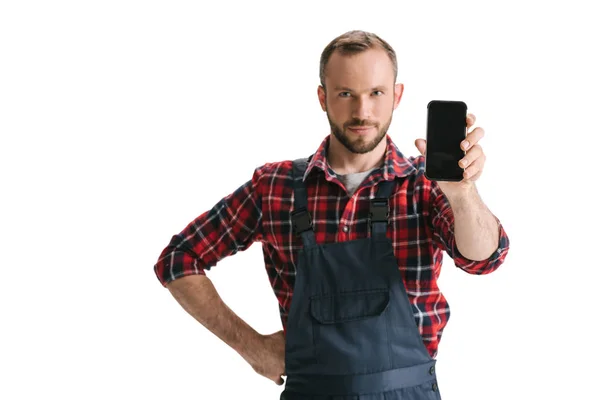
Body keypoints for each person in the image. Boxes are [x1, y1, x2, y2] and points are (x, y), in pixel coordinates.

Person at [153, 30, 510, 400]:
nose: (362, 112)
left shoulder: (424, 184)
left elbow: (484, 258)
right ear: (323, 97)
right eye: (345, 94)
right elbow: (178, 260)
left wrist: (461, 191)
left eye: (376, 93)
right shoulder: (275, 186)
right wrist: (252, 347)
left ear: (397, 96)